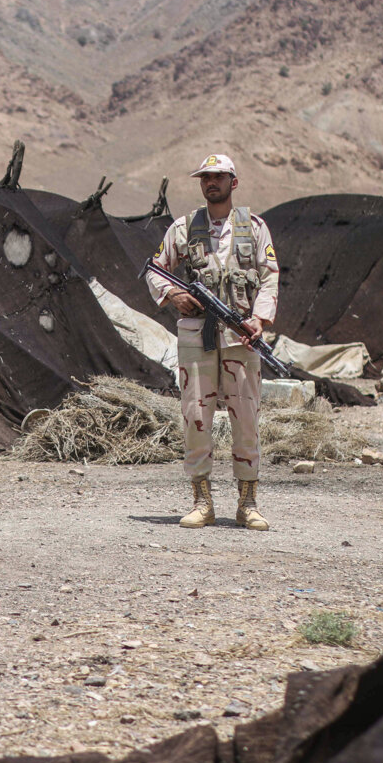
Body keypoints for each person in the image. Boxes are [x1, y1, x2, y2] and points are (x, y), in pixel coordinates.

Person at [145, 154, 280, 531]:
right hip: (196, 335)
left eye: (218, 177)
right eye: (205, 177)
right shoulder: (184, 228)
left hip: (241, 337)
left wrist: (259, 318)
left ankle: (247, 503)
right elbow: (155, 270)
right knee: (196, 416)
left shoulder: (254, 228)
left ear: (233, 182)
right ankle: (202, 501)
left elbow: (270, 277)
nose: (211, 183)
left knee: (247, 417)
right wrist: (173, 295)